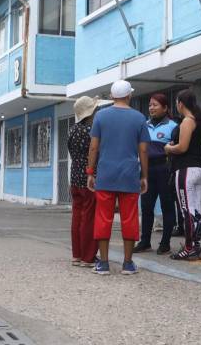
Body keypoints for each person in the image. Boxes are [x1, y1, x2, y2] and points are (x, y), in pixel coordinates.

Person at [87, 80, 150, 276]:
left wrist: (90, 172)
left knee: (103, 218)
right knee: (129, 218)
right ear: (129, 95)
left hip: (105, 175)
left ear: (112, 96)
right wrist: (144, 176)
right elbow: (143, 150)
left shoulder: (100, 116)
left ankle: (104, 264)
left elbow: (94, 147)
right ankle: (128, 264)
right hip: (129, 175)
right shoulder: (139, 118)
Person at [164, 89, 201, 261]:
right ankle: (196, 246)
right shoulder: (199, 120)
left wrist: (168, 148)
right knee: (196, 209)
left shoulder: (187, 121)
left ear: (180, 104)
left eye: (176, 102)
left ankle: (189, 248)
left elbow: (182, 147)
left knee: (186, 210)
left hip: (186, 170)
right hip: (199, 169)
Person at [133, 93, 178, 255]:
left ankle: (165, 243)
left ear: (165, 108)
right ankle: (145, 242)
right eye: (150, 105)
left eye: (155, 105)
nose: (151, 108)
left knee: (167, 206)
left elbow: (177, 148)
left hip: (164, 169)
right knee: (146, 207)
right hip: (146, 170)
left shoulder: (173, 126)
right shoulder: (144, 125)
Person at [67, 96, 105, 267]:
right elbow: (96, 151)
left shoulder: (72, 130)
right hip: (89, 178)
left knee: (77, 216)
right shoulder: (91, 131)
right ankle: (87, 257)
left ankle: (76, 255)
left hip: (74, 176)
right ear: (90, 113)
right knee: (89, 217)